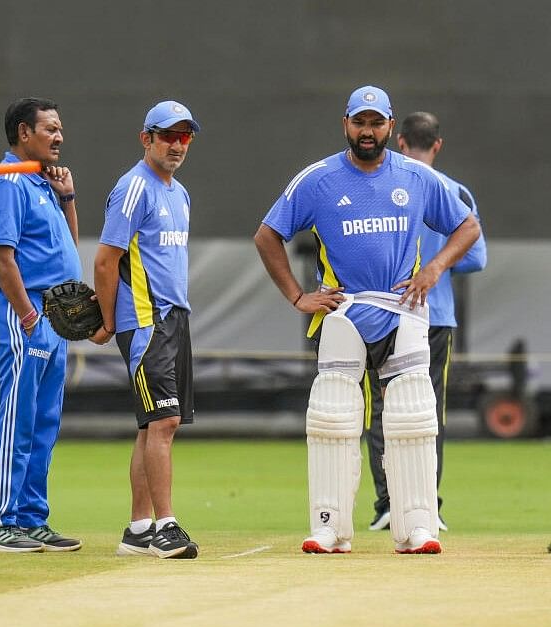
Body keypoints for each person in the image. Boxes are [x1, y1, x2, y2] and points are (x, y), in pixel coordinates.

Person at [255, 85, 481, 555]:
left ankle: (418, 526)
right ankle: (329, 527)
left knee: (413, 418)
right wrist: (298, 296)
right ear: (345, 125)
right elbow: (267, 235)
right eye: (359, 122)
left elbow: (468, 226)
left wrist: (435, 269)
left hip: (403, 311)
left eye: (376, 123)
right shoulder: (317, 180)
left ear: (390, 127)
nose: (367, 131)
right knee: (333, 417)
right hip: (346, 310)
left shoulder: (418, 178)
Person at [365, 111, 487, 532]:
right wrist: (438, 266)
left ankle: (386, 504)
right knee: (428, 411)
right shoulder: (454, 190)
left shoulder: (382, 183)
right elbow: (476, 256)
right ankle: (425, 505)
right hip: (436, 315)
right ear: (437, 144)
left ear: (399, 141)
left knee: (379, 409)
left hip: (382, 312)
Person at [0, 98, 84, 553]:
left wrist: (69, 198)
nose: (59, 137)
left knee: (44, 422)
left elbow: (69, 251)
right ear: (24, 133)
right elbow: (3, 258)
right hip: (25, 313)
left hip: (51, 315)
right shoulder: (7, 183)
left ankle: (31, 519)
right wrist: (27, 314)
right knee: (18, 417)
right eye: (50, 129)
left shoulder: (42, 185)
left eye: (60, 129)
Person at [92, 100, 201, 559]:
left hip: (174, 316)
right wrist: (108, 319)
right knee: (165, 420)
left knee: (150, 424)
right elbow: (105, 260)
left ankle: (138, 529)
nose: (176, 144)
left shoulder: (179, 193)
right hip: (145, 319)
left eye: (184, 136)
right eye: (167, 135)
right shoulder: (133, 188)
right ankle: (166, 526)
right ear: (146, 138)